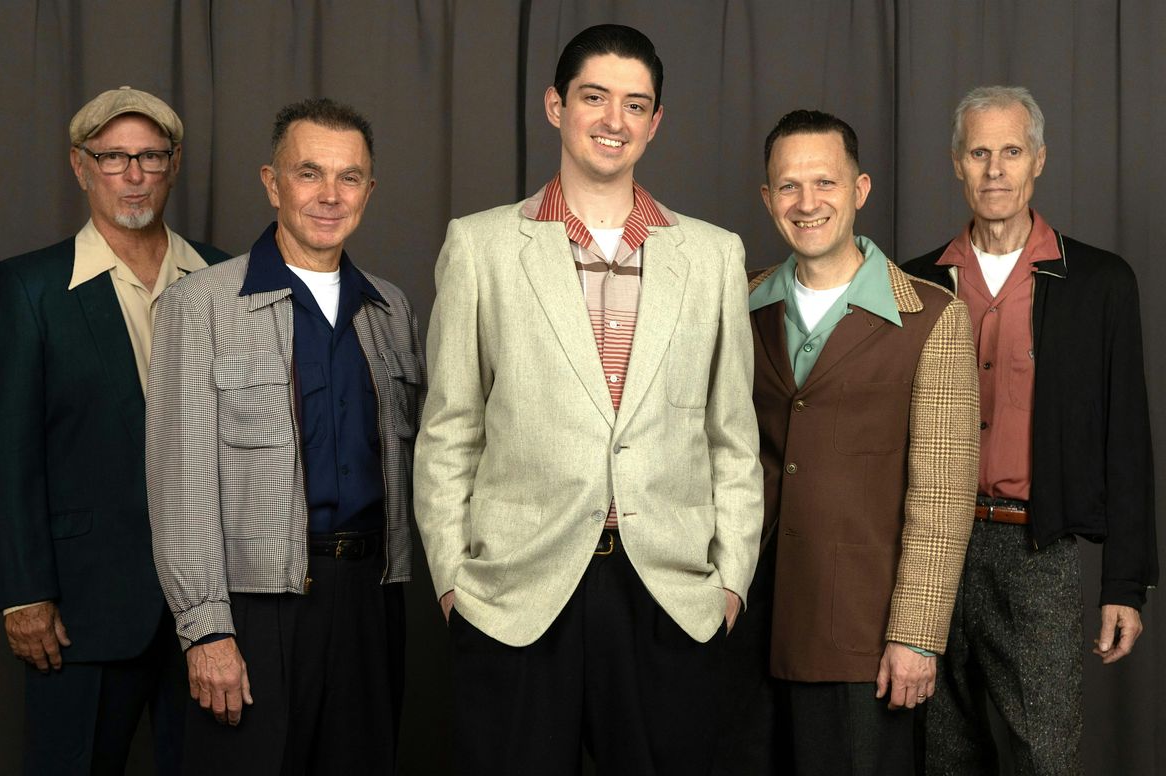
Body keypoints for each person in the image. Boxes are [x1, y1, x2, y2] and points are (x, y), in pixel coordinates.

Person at [413, 24, 762, 775]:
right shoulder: (480, 246)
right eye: (594, 97)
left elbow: (732, 436)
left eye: (635, 105)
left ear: (655, 122)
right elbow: (449, 429)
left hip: (669, 591)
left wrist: (730, 579)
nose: (614, 120)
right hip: (515, 590)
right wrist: (453, 580)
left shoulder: (713, 255)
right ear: (555, 106)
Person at [145, 97, 424, 774]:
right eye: (309, 173)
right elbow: (179, 486)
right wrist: (205, 631)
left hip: (371, 598)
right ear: (272, 184)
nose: (330, 195)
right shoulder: (200, 305)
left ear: (369, 191)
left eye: (349, 177)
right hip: (254, 607)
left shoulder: (391, 309)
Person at [0, 86, 228, 775]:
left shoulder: (226, 276)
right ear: (80, 166)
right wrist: (24, 593)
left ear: (174, 164)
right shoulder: (29, 287)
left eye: (150, 156)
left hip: (215, 609)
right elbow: (5, 453)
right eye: (113, 157)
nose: (133, 175)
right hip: (83, 605)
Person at [904, 85, 1158, 775]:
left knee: (1045, 757)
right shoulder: (915, 283)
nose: (995, 170)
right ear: (956, 162)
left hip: (1037, 548)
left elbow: (1127, 438)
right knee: (941, 754)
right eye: (979, 153)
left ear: (1039, 160)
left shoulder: (1100, 282)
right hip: (933, 546)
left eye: (1011, 152)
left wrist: (1124, 583)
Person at [749, 109, 979, 775]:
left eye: (825, 182)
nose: (807, 202)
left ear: (860, 189)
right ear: (767, 198)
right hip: (744, 620)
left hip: (863, 633)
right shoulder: (738, 302)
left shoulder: (932, 317)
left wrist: (917, 635)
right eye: (788, 186)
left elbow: (942, 497)